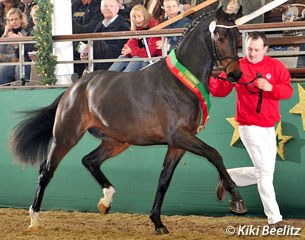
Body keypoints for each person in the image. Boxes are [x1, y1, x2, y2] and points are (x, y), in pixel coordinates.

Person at [209, 32, 293, 227]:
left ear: (265, 49)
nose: (252, 53)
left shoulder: (276, 66)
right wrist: (203, 76)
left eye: (256, 49)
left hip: (269, 127)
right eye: (249, 49)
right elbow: (220, 89)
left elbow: (287, 91)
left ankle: (228, 177)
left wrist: (270, 87)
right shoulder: (238, 67)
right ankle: (275, 219)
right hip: (249, 126)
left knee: (265, 172)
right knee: (264, 173)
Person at [78, 0, 130, 75]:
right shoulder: (100, 25)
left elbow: (120, 48)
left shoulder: (123, 25)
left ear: (117, 8)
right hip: (99, 56)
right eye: (105, 6)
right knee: (79, 46)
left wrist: (91, 46)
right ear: (101, 9)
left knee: (96, 41)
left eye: (111, 6)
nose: (108, 8)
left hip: (114, 57)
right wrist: (86, 51)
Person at [108, 4, 161, 72]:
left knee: (136, 58)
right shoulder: (137, 29)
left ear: (145, 16)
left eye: (139, 16)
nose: (136, 19)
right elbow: (127, 47)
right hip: (139, 58)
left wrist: (131, 51)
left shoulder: (154, 28)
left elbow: (148, 53)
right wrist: (129, 50)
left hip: (152, 61)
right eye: (134, 17)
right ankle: (108, 78)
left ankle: (123, 80)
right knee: (123, 57)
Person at [0, 7, 27, 85]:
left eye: (16, 19)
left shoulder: (25, 32)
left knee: (3, 69)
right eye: (11, 20)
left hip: (19, 60)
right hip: (7, 60)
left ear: (21, 19)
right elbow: (1, 50)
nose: (14, 22)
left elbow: (21, 53)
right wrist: (5, 34)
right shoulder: (6, 33)